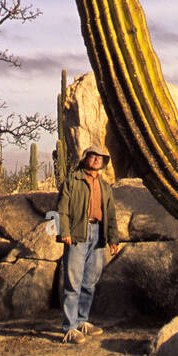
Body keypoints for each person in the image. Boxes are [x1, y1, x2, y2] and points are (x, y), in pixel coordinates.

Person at [56, 144, 119, 344]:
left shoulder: (105, 185)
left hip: (98, 234)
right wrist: (64, 232)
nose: (97, 159)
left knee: (90, 281)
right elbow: (62, 209)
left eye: (100, 157)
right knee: (73, 283)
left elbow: (110, 214)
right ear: (85, 159)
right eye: (93, 156)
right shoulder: (72, 181)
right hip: (77, 234)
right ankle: (69, 328)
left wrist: (113, 238)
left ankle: (83, 321)